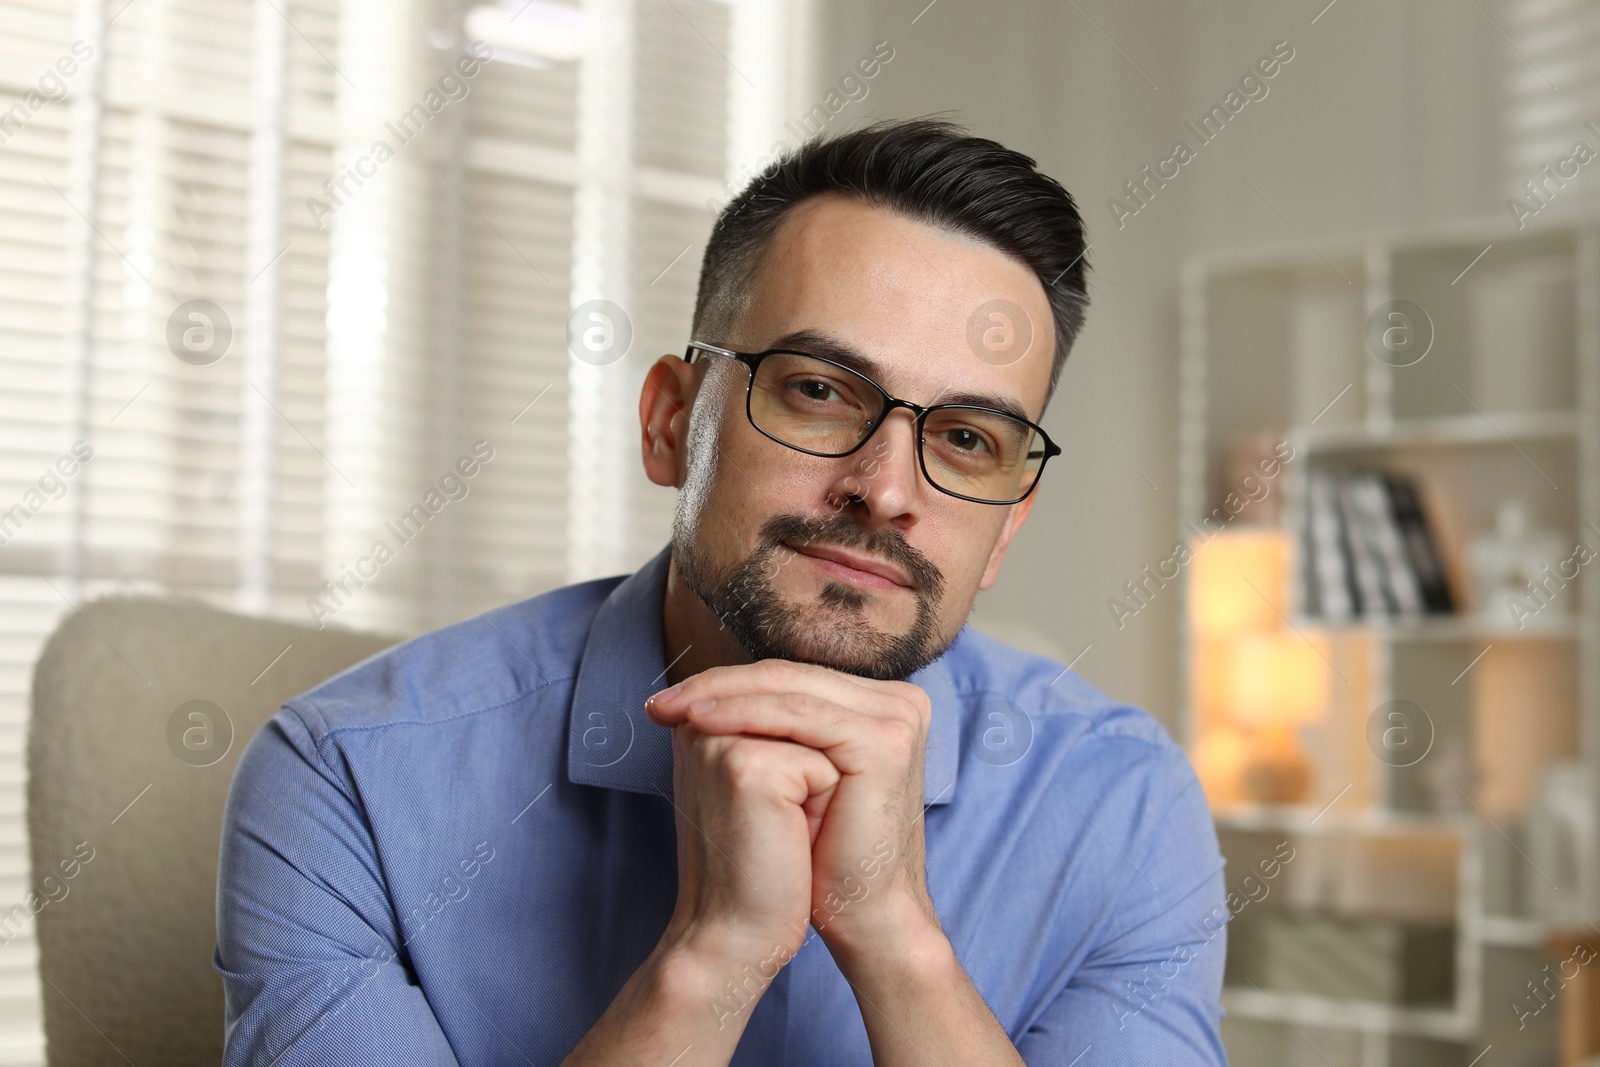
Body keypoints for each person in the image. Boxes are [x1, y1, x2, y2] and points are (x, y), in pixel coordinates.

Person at [215, 118, 1227, 1066]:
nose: (885, 489)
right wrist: (714, 953)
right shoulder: (345, 778)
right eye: (821, 390)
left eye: (965, 440)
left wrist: (894, 939)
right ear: (670, 422)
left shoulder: (1123, 803)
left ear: (1007, 521)